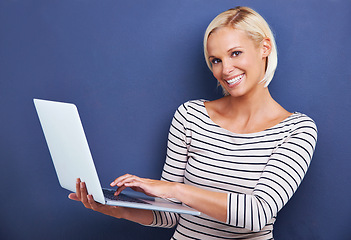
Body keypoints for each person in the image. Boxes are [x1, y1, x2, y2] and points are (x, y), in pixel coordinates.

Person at [69, 6, 317, 240]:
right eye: (216, 60)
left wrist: (174, 189)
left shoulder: (297, 131)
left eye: (235, 53)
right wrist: (117, 209)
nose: (226, 69)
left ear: (264, 48)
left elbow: (256, 214)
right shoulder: (190, 116)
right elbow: (169, 214)